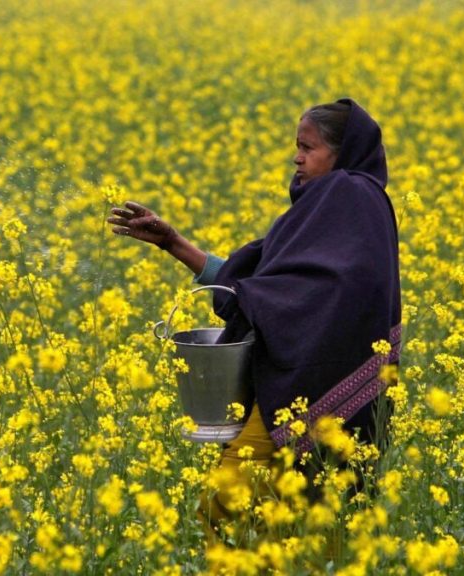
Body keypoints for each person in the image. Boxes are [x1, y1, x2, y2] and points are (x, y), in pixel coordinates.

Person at [108, 98, 401, 526]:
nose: (297, 158)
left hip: (312, 386)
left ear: (342, 153)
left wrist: (257, 298)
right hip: (295, 385)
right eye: (297, 147)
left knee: (231, 507)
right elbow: (262, 278)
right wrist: (173, 243)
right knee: (286, 522)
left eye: (308, 148)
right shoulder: (329, 206)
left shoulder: (350, 196)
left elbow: (317, 291)